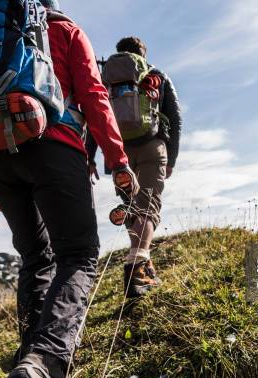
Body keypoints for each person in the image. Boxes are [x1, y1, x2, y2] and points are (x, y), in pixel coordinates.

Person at [0, 1, 138, 378]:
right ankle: (47, 364)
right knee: (78, 255)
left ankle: (28, 361)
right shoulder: (65, 30)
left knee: (34, 258)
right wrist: (118, 160)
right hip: (55, 147)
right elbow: (95, 96)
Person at [95, 36, 182, 298]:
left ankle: (143, 264)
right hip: (151, 146)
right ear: (142, 55)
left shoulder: (106, 79)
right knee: (148, 207)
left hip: (118, 152)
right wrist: (172, 159)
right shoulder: (157, 75)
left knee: (133, 208)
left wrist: (91, 157)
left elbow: (96, 115)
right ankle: (136, 268)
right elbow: (175, 120)